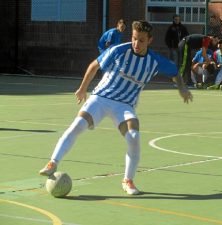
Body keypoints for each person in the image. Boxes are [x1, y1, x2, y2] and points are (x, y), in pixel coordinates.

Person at [39, 20, 193, 195]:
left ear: (149, 40)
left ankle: (128, 180)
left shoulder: (155, 61)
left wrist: (182, 89)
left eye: (141, 40)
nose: (136, 43)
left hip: (124, 105)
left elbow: (175, 73)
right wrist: (83, 89)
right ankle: (53, 162)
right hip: (101, 98)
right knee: (77, 126)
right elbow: (94, 66)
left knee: (134, 136)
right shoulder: (118, 50)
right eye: (134, 38)